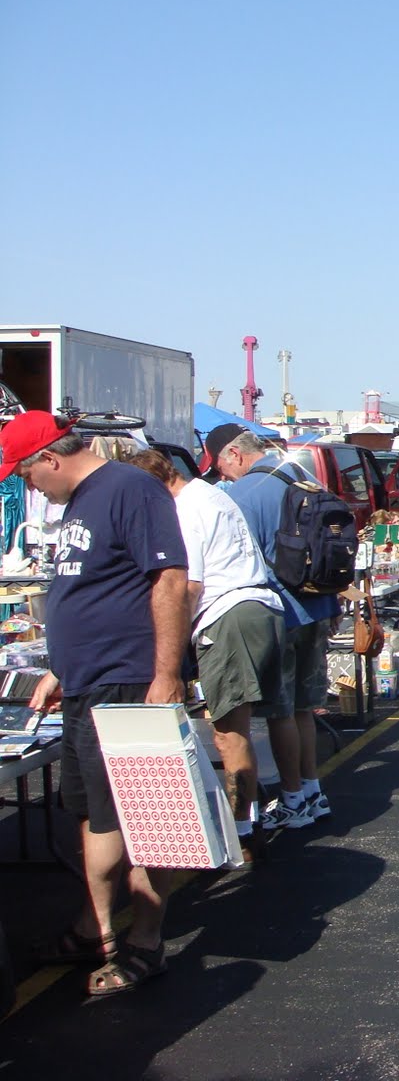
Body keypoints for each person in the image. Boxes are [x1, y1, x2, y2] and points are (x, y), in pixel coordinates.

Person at [7, 413, 189, 996]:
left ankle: (143, 942)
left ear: (49, 459)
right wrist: (62, 667)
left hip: (127, 681)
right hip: (88, 684)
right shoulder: (82, 501)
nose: (29, 487)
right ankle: (97, 930)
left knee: (145, 819)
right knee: (93, 812)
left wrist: (164, 674)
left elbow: (169, 580)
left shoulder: (128, 488)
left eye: (27, 475)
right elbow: (93, 588)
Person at [128, 449, 284, 863]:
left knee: (228, 733)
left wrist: (166, 644)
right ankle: (245, 823)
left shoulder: (184, 510)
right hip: (256, 608)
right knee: (238, 727)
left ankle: (240, 833)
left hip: (228, 614)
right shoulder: (211, 494)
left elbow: (188, 586)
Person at [205, 425, 339, 830]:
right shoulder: (302, 475)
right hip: (317, 604)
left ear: (233, 454)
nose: (223, 475)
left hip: (280, 610)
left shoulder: (245, 493)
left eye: (221, 466)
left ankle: (293, 798)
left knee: (280, 712)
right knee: (304, 708)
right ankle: (312, 792)